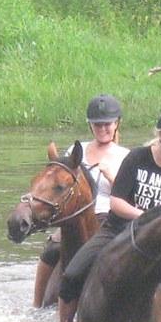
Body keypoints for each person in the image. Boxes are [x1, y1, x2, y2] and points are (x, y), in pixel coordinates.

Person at [58, 107, 161, 322]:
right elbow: (117, 203)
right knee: (72, 274)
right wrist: (145, 217)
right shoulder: (136, 158)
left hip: (158, 240)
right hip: (118, 229)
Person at [33, 94, 130, 307]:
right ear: (90, 126)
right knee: (51, 250)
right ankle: (37, 304)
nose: (102, 129)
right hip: (76, 216)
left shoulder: (126, 156)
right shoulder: (76, 150)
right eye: (97, 125)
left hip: (110, 215)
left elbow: (131, 196)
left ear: (116, 124)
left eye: (107, 124)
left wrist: (112, 178)